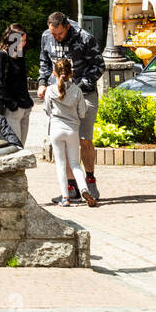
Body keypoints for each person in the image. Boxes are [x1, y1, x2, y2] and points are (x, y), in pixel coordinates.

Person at [36, 11, 104, 203]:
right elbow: (44, 61)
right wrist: (42, 82)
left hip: (83, 93)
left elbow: (99, 66)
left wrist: (75, 87)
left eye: (59, 35)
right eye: (53, 35)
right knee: (63, 142)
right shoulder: (46, 36)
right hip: (58, 95)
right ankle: (71, 186)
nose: (56, 38)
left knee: (84, 140)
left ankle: (90, 180)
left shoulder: (84, 38)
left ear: (67, 27)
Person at [44, 58, 99, 208]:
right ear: (71, 73)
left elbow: (47, 110)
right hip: (72, 130)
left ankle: (65, 198)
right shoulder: (77, 90)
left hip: (56, 129)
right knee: (75, 163)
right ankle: (84, 189)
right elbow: (82, 113)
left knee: (61, 165)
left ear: (54, 73)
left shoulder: (50, 90)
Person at [0, 24, 34, 146]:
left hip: (25, 108)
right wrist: (12, 105)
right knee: (15, 147)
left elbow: (21, 82)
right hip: (12, 110)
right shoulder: (1, 56)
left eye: (25, 40)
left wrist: (29, 102)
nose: (23, 44)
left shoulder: (19, 56)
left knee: (21, 147)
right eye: (20, 41)